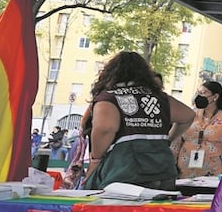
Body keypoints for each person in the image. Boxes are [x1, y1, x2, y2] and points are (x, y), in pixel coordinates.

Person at [83, 51, 195, 190]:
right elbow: (188, 116)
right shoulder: (159, 98)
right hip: (162, 169)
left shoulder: (109, 98)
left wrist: (95, 159)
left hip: (125, 169)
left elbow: (105, 128)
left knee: (116, 210)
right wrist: (168, 139)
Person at [173, 81, 222, 179]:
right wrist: (171, 163)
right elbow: (175, 140)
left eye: (203, 93)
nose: (198, 96)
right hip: (184, 172)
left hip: (214, 172)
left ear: (215, 97)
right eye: (198, 93)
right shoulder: (189, 115)